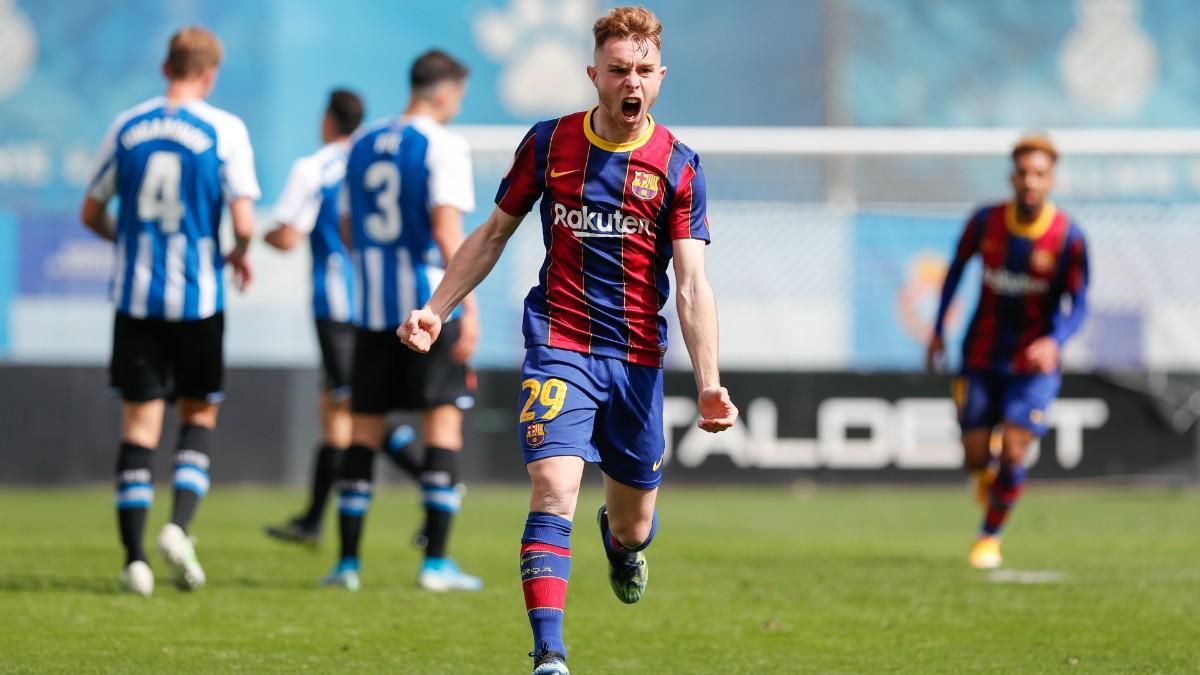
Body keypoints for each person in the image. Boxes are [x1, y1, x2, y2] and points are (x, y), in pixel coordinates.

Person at [398, 8, 738, 674]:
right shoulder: (550, 145)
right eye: (617, 70)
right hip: (559, 340)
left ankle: (621, 546)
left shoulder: (678, 164)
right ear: (595, 75)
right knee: (554, 486)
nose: (630, 81)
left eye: (642, 70)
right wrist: (436, 308)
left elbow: (693, 283)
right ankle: (549, 652)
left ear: (660, 77)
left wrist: (709, 383)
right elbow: (493, 233)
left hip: (637, 360)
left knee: (633, 521)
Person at [80, 26, 260, 596]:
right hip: (198, 300)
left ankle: (134, 561)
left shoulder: (128, 126)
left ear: (166, 67)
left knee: (138, 426)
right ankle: (178, 528)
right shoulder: (224, 129)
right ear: (209, 74)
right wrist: (237, 252)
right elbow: (247, 222)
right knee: (197, 415)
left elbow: (91, 211)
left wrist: (129, 243)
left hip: (135, 300)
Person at [319, 50, 482, 593]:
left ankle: (347, 565)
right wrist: (467, 307)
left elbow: (345, 224)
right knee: (442, 425)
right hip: (427, 312)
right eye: (458, 96)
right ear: (443, 93)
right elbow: (446, 232)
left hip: (369, 313)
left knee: (362, 431)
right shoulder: (441, 145)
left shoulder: (361, 142)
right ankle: (435, 564)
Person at [926, 135, 1089, 570]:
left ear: (1051, 179)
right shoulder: (985, 222)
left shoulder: (1069, 237)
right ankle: (986, 479)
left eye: (1039, 174)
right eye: (1023, 173)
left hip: (1032, 364)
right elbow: (955, 272)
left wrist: (1055, 341)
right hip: (981, 354)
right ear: (1012, 176)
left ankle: (989, 538)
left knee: (1015, 451)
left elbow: (1081, 303)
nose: (1030, 181)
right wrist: (938, 329)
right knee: (976, 455)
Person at [260, 89, 365, 547]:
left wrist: (258, 237)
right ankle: (311, 522)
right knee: (336, 410)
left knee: (355, 410)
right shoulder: (369, 161)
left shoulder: (315, 167)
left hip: (336, 305)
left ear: (328, 120)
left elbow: (287, 235)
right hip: (374, 300)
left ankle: (434, 476)